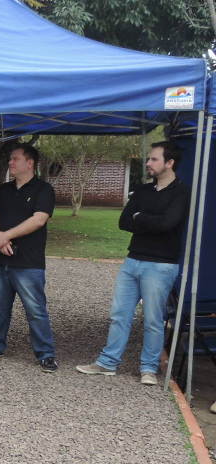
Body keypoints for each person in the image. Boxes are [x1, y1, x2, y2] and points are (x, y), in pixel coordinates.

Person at [77, 141, 190, 385]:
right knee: (119, 314)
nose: (148, 163)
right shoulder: (142, 190)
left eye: (154, 159)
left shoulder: (182, 192)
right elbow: (124, 221)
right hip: (132, 260)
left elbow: (167, 223)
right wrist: (147, 219)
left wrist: (141, 217)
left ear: (170, 163)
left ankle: (148, 369)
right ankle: (107, 363)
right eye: (149, 159)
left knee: (152, 319)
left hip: (161, 265)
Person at [0, 143, 59, 373]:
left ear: (30, 163)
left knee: (35, 309)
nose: (10, 163)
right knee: (0, 308)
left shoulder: (43, 189)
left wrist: (5, 237)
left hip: (29, 263)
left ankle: (46, 353)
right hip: (1, 262)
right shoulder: (3, 190)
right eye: (10, 159)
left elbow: (38, 220)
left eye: (15, 159)